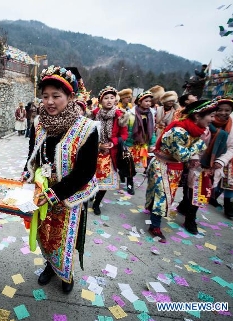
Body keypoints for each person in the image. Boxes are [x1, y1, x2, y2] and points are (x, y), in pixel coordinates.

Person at [22, 65, 98, 293]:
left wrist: (55, 193)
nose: (49, 102)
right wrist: (27, 173)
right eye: (45, 96)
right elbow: (33, 153)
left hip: (69, 194)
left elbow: (86, 171)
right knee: (45, 233)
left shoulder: (87, 129)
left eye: (56, 96)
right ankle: (50, 265)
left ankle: (66, 274)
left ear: (70, 96)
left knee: (64, 237)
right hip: (43, 189)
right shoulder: (39, 124)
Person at [146, 100, 217, 241]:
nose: (213, 119)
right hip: (163, 166)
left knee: (165, 194)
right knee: (163, 197)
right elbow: (183, 155)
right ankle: (154, 225)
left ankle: (152, 212)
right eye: (211, 115)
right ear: (197, 116)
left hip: (175, 167)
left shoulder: (196, 130)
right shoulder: (178, 131)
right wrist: (199, 145)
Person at [91, 86, 128, 215]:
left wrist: (113, 143)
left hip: (110, 154)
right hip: (95, 151)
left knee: (105, 181)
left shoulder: (120, 116)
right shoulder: (94, 114)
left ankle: (97, 203)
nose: (109, 100)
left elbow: (124, 135)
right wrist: (98, 144)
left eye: (112, 98)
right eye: (106, 98)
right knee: (91, 177)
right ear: (101, 101)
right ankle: (90, 195)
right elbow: (89, 133)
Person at [207, 97, 233, 218]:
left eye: (227, 110)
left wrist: (221, 160)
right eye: (220, 110)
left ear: (231, 111)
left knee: (232, 180)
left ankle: (228, 206)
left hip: (228, 156)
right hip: (206, 157)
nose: (223, 113)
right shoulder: (208, 121)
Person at [124, 91, 157, 195]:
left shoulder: (151, 114)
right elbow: (126, 130)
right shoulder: (130, 114)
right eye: (146, 101)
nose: (148, 103)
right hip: (131, 143)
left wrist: (152, 144)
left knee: (136, 165)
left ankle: (130, 179)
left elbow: (152, 131)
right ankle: (130, 184)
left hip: (143, 144)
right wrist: (124, 143)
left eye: (150, 101)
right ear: (139, 102)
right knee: (129, 164)